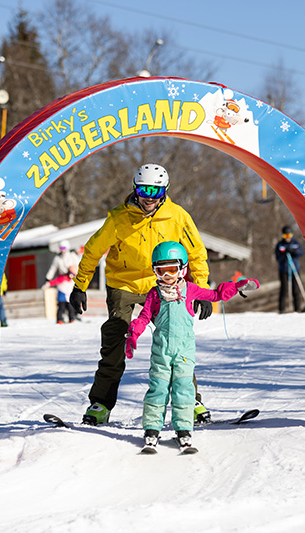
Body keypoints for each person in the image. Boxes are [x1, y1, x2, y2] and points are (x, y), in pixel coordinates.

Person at [70, 163, 214, 426]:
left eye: (156, 192)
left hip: (164, 284)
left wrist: (201, 290)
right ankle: (101, 403)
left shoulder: (177, 216)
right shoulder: (118, 218)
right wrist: (80, 286)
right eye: (144, 190)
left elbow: (197, 254)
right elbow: (92, 252)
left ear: (165, 192)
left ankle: (190, 399)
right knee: (116, 339)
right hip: (124, 285)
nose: (149, 197)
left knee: (176, 341)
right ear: (135, 189)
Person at [125, 242, 259, 452]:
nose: (167, 275)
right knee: (158, 389)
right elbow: (143, 317)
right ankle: (152, 430)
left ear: (183, 269)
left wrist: (236, 286)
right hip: (161, 352)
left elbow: (215, 295)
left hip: (184, 352)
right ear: (155, 271)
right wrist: (133, 333)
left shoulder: (190, 289)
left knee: (184, 390)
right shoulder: (154, 294)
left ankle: (183, 431)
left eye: (172, 269)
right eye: (161, 270)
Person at [43, 240, 80, 324]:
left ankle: (73, 317)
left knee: (71, 300)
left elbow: (78, 266)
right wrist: (48, 277)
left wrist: (74, 273)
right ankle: (60, 318)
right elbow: (53, 268)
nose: (62, 250)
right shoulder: (57, 258)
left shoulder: (72, 256)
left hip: (71, 280)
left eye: (64, 248)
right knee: (62, 302)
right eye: (61, 248)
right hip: (62, 280)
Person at [275, 225, 304, 313]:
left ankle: (297, 309)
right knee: (284, 290)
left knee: (296, 289)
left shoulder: (295, 243)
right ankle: (282, 309)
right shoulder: (280, 245)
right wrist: (284, 254)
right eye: (285, 236)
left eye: (289, 236)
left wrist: (293, 251)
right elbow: (277, 257)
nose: (287, 238)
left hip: (294, 269)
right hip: (284, 270)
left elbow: (301, 252)